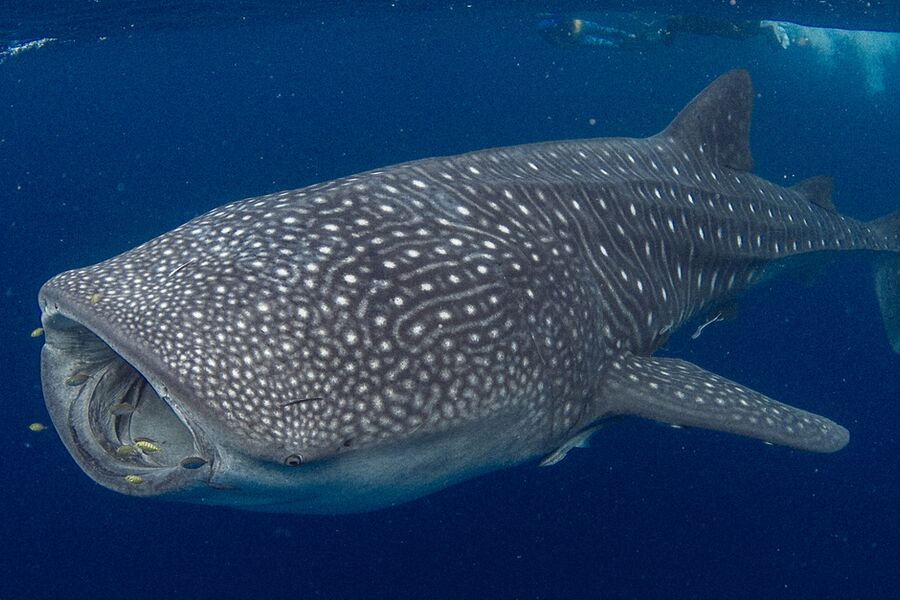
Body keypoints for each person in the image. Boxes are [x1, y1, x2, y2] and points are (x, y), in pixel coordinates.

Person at [537, 13, 790, 50]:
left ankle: (765, 26)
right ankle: (763, 26)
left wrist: (663, 39)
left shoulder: (675, 20)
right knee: (734, 31)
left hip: (708, 23)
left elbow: (670, 33)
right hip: (705, 23)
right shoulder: (675, 19)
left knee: (736, 31)